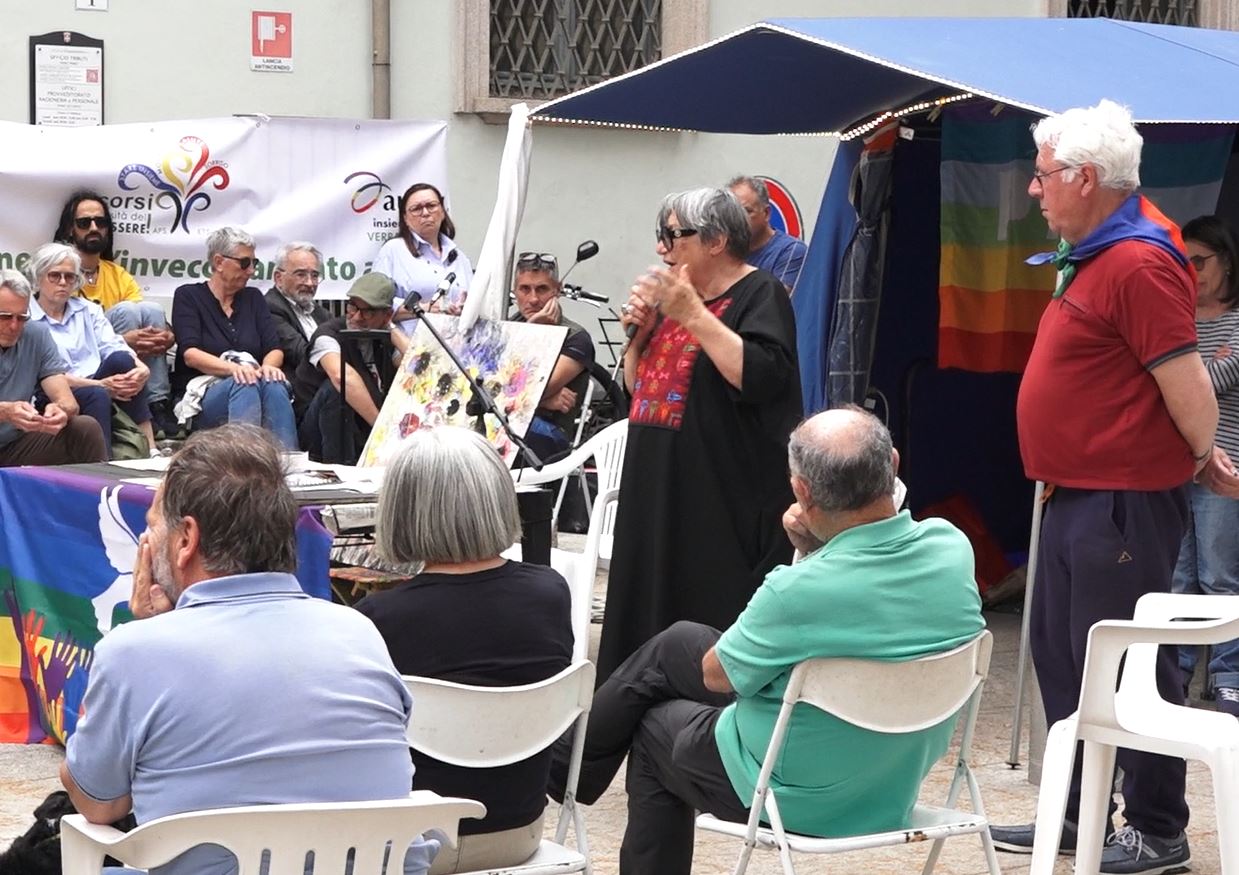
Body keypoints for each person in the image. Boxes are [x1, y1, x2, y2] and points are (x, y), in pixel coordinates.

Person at [547, 407, 984, 875]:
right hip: (891, 778)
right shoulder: (950, 547)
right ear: (893, 465)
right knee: (677, 643)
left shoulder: (796, 592)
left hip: (795, 793)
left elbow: (717, 676)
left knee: (657, 726)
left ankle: (558, 770)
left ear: (802, 492)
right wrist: (817, 545)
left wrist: (811, 552)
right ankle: (564, 765)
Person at [990, 100, 1221, 874]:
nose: (1033, 190)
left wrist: (1200, 456)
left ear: (1084, 178)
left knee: (1125, 666)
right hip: (1077, 492)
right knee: (1061, 655)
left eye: (1043, 174)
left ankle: (1157, 827)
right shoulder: (1097, 251)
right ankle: (1070, 808)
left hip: (1118, 500)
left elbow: (1186, 386)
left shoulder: (1139, 260)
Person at [59, 424, 438, 875]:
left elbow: (98, 803)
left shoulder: (134, 652)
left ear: (186, 540)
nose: (147, 542)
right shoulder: (358, 632)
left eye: (152, 525)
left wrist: (145, 636)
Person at [600, 186, 801, 680]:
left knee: (696, 628)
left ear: (715, 241)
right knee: (642, 625)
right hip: (654, 495)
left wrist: (690, 313)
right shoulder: (676, 303)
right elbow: (639, 389)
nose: (661, 249)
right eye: (660, 236)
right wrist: (640, 336)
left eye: (673, 235)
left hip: (715, 502)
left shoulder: (760, 293)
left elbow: (759, 376)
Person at [355, 426, 573, 875]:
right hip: (519, 832)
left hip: (407, 846)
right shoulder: (551, 592)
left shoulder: (379, 619)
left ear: (401, 510)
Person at [1173, 215, 1239, 715]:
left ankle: (1228, 679)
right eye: (1185, 261)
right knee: (1179, 578)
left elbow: (1209, 381)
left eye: (1200, 261)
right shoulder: (1177, 319)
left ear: (1228, 262)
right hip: (1177, 467)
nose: (1192, 271)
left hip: (1226, 467)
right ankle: (1170, 673)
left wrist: (1185, 368)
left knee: (1219, 576)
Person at [53, 190, 177, 438]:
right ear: (69, 229)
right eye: (84, 223)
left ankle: (157, 403)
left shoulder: (116, 273)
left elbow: (144, 321)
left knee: (150, 310)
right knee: (127, 311)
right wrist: (124, 340)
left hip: (121, 356)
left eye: (101, 222)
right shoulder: (61, 274)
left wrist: (166, 336)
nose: (94, 228)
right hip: (88, 363)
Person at [170, 227, 297, 448]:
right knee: (244, 383)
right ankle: (243, 464)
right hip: (205, 393)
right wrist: (235, 369)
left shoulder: (253, 298)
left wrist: (268, 367)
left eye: (254, 264)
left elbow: (274, 348)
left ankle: (289, 462)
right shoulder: (188, 296)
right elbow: (190, 354)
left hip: (253, 381)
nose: (251, 271)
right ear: (219, 262)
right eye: (245, 263)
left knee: (274, 384)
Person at [26, 243, 155, 456]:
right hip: (52, 392)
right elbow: (44, 375)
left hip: (96, 380)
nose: (63, 283)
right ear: (38, 278)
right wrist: (101, 385)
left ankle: (150, 447)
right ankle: (102, 463)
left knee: (124, 362)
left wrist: (142, 369)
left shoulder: (88, 310)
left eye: (70, 277)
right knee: (96, 393)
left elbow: (113, 345)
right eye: (54, 276)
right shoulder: (26, 315)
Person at [0, 269, 106, 466]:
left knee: (84, 429)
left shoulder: (36, 334)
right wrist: (5, 412)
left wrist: (58, 411)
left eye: (22, 317)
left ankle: (99, 493)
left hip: (13, 444)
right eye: (5, 317)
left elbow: (68, 402)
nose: (14, 326)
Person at [293, 272, 400, 464]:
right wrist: (380, 429)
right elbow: (342, 377)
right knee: (336, 389)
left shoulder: (383, 337)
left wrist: (392, 330)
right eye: (353, 306)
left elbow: (417, 366)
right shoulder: (328, 334)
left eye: (368, 311)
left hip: (360, 433)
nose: (357, 317)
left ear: (386, 315)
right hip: (317, 434)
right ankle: (340, 471)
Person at [507, 251, 595, 461]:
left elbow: (528, 391)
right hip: (507, 420)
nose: (533, 299)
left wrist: (536, 398)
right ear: (514, 291)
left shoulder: (576, 338)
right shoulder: (508, 326)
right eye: (525, 289)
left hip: (547, 434)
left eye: (542, 289)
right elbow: (484, 388)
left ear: (558, 291)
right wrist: (545, 401)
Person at [374, 183, 473, 315]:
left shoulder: (460, 258)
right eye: (416, 209)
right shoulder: (393, 250)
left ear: (443, 212)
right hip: (411, 335)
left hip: (455, 334)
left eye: (431, 206)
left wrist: (464, 308)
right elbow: (375, 306)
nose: (425, 213)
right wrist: (424, 308)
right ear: (405, 219)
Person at [727, 175, 808, 292]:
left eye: (747, 211)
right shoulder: (723, 249)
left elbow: (774, 303)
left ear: (766, 213)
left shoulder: (790, 251)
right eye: (732, 212)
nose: (738, 218)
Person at [265, 241, 331, 382]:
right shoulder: (270, 307)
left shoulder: (321, 313)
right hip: (300, 391)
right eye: (301, 274)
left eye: (314, 275)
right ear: (279, 278)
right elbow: (299, 353)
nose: (310, 283)